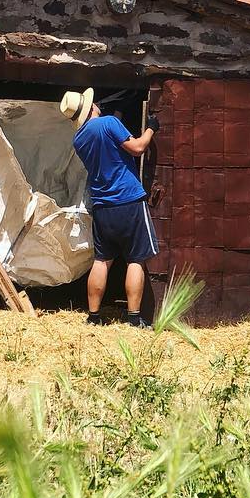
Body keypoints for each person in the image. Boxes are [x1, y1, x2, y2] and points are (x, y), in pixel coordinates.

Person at [60, 88, 159, 326]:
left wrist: (117, 116)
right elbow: (137, 148)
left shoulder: (79, 139)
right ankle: (134, 319)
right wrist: (151, 128)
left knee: (102, 260)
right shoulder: (109, 123)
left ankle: (94, 316)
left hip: (103, 207)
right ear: (92, 107)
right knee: (136, 259)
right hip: (129, 200)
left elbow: (107, 147)